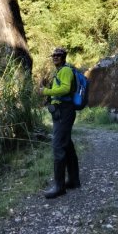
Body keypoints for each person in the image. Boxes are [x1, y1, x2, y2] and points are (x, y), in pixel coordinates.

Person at [40, 47, 81, 199]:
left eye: (58, 55)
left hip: (65, 111)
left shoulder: (66, 71)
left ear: (64, 57)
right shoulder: (59, 71)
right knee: (67, 145)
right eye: (54, 55)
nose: (55, 57)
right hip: (60, 111)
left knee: (58, 146)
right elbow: (59, 90)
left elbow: (64, 89)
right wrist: (50, 98)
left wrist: (46, 92)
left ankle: (59, 186)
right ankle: (73, 180)